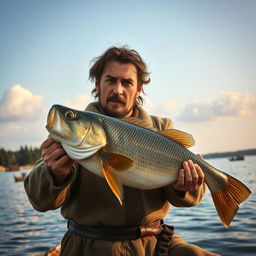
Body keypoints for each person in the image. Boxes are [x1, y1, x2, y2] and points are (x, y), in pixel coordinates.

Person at [24, 46, 220, 256]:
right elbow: (39, 200)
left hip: (155, 245)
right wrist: (54, 174)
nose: (118, 89)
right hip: (88, 247)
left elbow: (190, 198)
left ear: (138, 90)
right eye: (110, 80)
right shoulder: (74, 132)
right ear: (97, 84)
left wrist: (185, 187)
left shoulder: (162, 128)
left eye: (127, 82)